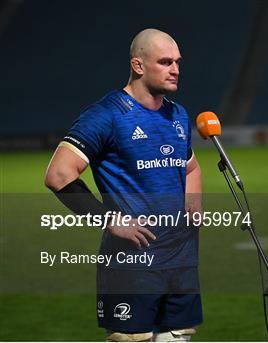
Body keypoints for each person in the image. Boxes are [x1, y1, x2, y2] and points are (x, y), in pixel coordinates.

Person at [44, 28, 203, 341]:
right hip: (132, 266)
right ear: (138, 66)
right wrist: (110, 219)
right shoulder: (106, 115)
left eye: (178, 62)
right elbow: (59, 174)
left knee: (179, 338)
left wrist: (193, 203)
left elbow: (191, 166)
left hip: (180, 261)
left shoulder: (178, 115)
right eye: (166, 62)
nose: (176, 69)